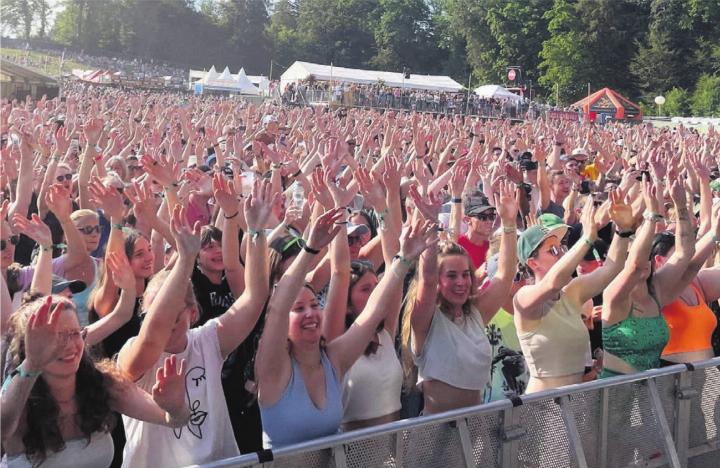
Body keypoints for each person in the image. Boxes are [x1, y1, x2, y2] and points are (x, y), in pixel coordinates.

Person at [116, 181, 272, 466]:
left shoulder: (209, 339)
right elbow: (151, 339)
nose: (161, 324)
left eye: (172, 315)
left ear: (192, 312)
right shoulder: (131, 350)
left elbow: (256, 296)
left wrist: (256, 231)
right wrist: (186, 258)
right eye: (151, 315)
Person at [256, 208, 437, 448]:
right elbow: (278, 306)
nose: (310, 313)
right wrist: (310, 250)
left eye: (313, 305)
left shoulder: (333, 360)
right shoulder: (272, 368)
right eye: (298, 309)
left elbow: (373, 312)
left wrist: (402, 260)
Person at [1, 296, 190, 468]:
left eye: (75, 334)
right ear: (28, 345)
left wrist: (175, 408)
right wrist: (33, 364)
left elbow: (175, 420)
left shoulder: (101, 382)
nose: (69, 345)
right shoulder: (17, 391)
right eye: (57, 336)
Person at [401, 181, 517, 414]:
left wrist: (509, 223)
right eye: (451, 276)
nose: (461, 282)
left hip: (474, 429)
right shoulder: (425, 321)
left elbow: (504, 276)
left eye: (466, 274)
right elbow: (428, 278)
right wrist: (432, 227)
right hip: (435, 436)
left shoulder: (475, 314)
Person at [514, 189, 633, 392]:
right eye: (552, 250)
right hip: (544, 407)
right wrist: (586, 238)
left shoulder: (572, 292)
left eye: (561, 247)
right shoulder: (524, 296)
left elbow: (611, 268)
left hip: (578, 402)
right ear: (532, 263)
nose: (561, 253)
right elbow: (551, 284)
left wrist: (623, 231)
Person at [601, 179, 694, 377]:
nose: (644, 262)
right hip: (614, 395)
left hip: (650, 393)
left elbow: (684, 253)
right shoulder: (614, 296)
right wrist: (651, 216)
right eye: (638, 256)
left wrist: (681, 206)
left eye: (647, 257)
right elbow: (634, 268)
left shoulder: (656, 291)